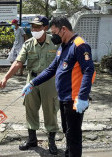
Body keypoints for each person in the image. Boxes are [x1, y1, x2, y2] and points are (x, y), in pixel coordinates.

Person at [22, 16, 96, 157]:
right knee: (67, 131)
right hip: (63, 97)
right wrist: (32, 82)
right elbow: (52, 69)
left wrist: (83, 97)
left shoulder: (80, 45)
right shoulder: (63, 46)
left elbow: (89, 71)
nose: (53, 36)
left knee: (73, 135)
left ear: (64, 29)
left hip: (75, 99)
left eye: (54, 33)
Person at [0, 16, 59, 155]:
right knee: (30, 109)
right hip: (32, 80)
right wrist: (6, 77)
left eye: (37, 27)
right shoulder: (29, 44)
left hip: (50, 81)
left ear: (45, 28)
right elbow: (19, 62)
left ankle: (52, 141)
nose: (34, 30)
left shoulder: (55, 43)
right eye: (32, 27)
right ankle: (32, 140)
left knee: (50, 111)